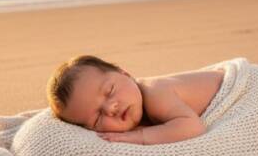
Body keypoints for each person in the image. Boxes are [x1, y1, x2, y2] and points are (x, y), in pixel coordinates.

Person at [46, 55, 224, 145]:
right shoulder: (138, 110)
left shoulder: (156, 93)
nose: (110, 108)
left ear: (126, 74)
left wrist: (140, 137)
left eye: (110, 91)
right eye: (97, 118)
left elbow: (193, 127)